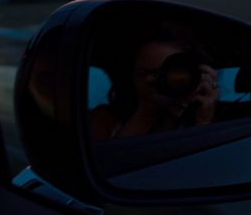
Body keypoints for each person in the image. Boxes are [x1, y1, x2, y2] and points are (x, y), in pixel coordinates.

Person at [90, 21, 220, 139]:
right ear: (130, 78)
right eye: (145, 73)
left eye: (174, 73)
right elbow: (112, 161)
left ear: (196, 76)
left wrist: (203, 121)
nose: (158, 80)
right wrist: (147, 112)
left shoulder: (211, 117)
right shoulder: (105, 119)